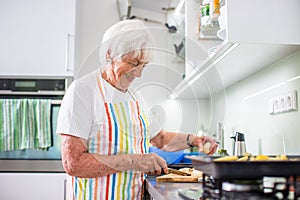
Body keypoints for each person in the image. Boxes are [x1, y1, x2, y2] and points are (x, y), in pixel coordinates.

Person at [56, 19, 218, 200]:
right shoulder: (83, 92)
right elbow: (73, 163)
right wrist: (135, 161)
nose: (139, 73)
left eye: (144, 66)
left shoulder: (135, 96)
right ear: (110, 54)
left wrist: (194, 140)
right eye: (134, 63)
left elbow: (160, 139)